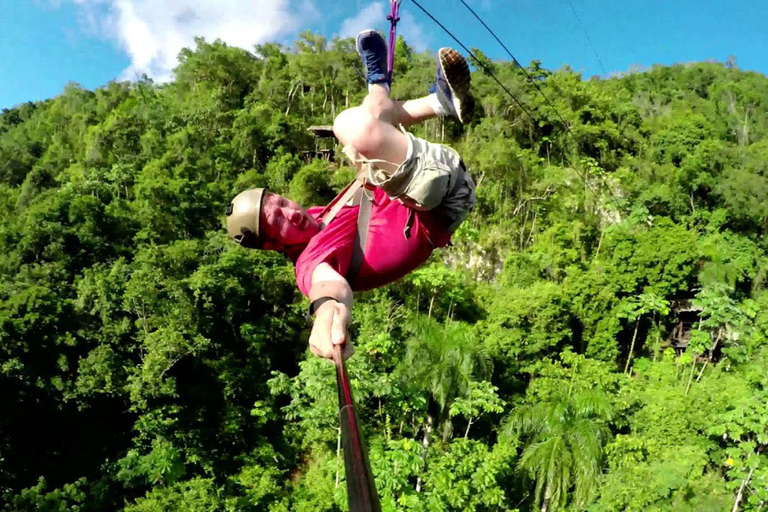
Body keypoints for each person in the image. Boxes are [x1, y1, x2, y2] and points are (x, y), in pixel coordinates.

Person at [226, 29, 476, 361]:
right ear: (272, 243)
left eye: (282, 202)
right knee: (350, 126)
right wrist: (328, 313)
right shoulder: (310, 263)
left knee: (370, 119)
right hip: (442, 198)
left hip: (425, 187)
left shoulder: (320, 214)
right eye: (278, 219)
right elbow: (329, 287)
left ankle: (435, 101)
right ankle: (381, 83)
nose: (291, 211)